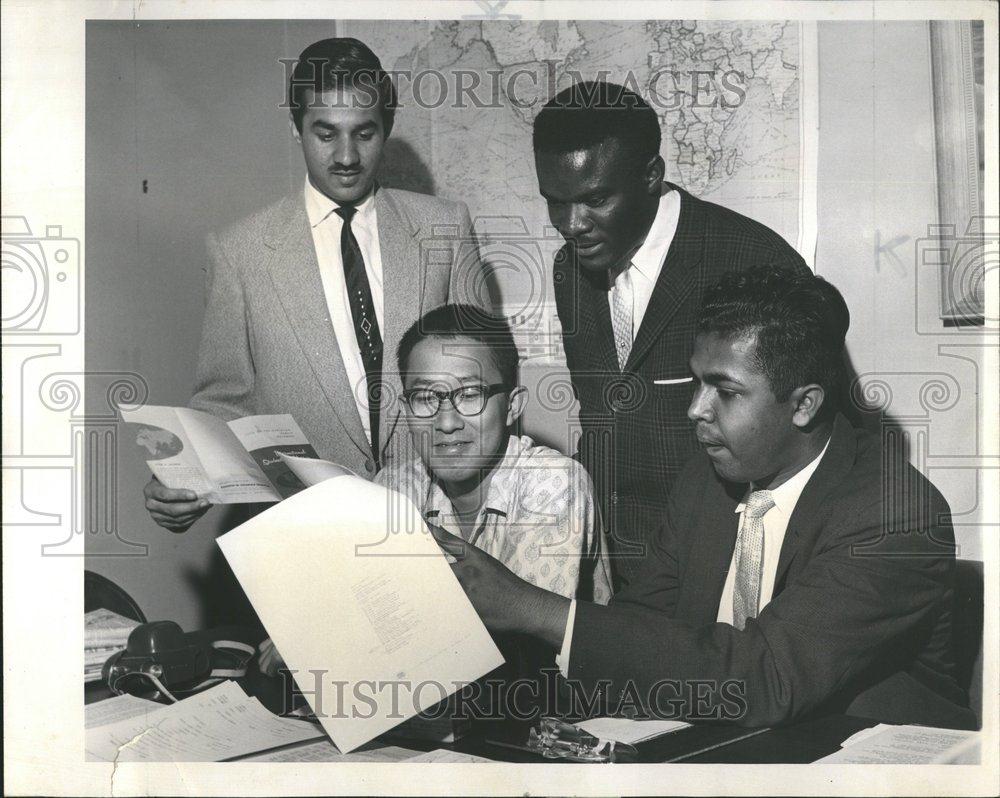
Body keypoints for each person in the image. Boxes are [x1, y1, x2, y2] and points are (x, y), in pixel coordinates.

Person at [432, 267, 977, 730]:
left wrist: (528, 606)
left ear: (804, 404)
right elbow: (641, 628)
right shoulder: (706, 480)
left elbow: (765, 678)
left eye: (726, 390)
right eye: (696, 383)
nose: (696, 409)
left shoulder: (896, 513)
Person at [144, 37, 487, 532]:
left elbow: (484, 382)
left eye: (364, 134)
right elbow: (224, 401)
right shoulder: (239, 251)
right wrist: (185, 482)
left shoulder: (446, 227)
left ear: (386, 130)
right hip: (302, 535)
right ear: (296, 128)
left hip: (436, 524)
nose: (346, 156)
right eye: (325, 134)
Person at [533, 80, 810, 590]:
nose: (571, 225)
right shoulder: (569, 269)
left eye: (595, 199)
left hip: (720, 565)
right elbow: (601, 414)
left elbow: (816, 436)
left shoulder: (752, 259)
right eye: (555, 201)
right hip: (613, 562)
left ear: (651, 175)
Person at [259, 303, 611, 678]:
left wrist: (342, 639)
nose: (445, 422)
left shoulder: (555, 483)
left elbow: (521, 650)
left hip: (547, 705)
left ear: (512, 406)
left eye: (471, 394)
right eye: (426, 398)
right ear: (406, 408)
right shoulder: (394, 487)